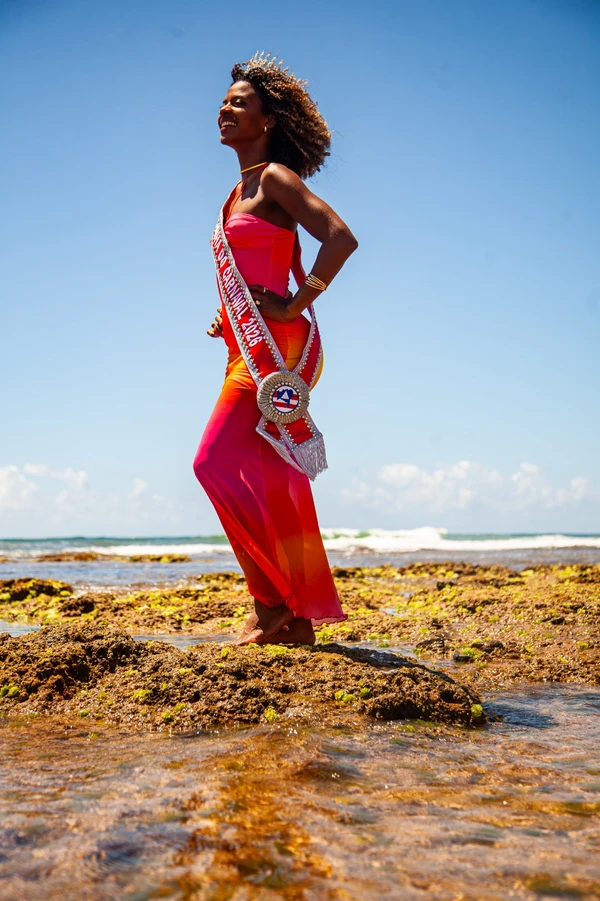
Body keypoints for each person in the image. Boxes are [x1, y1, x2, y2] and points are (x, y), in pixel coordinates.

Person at [193, 53, 358, 646]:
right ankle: (295, 617)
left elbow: (340, 238)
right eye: (226, 100)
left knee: (211, 462)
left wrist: (293, 303)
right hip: (244, 343)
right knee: (272, 476)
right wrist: (229, 314)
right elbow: (253, 268)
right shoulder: (236, 192)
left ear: (267, 119)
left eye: (240, 102)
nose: (226, 108)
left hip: (277, 346)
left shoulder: (276, 179)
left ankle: (272, 604)